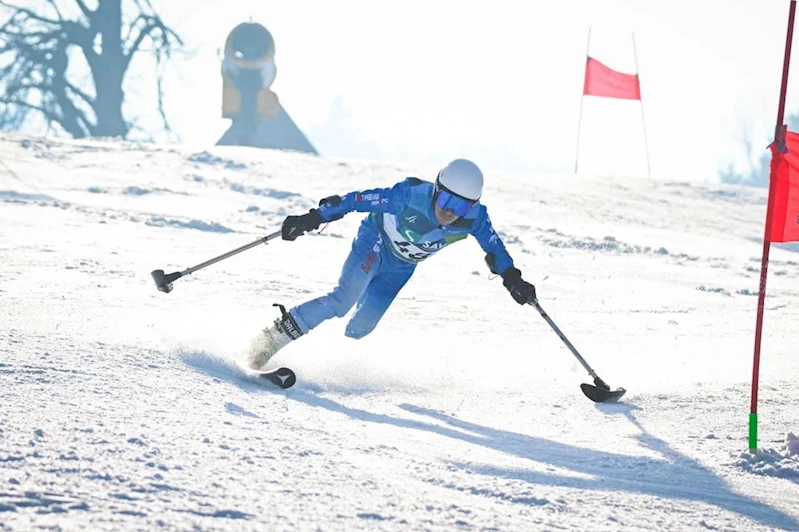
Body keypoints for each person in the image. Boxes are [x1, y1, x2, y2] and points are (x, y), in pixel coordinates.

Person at [246, 158, 537, 370]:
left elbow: (495, 249)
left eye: (460, 205)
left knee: (359, 329)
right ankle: (268, 341)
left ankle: (318, 352)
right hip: (375, 243)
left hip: (401, 268)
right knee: (342, 302)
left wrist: (513, 278)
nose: (449, 211)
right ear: (436, 189)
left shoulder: (476, 219)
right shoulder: (408, 196)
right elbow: (355, 200)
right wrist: (313, 217)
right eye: (446, 198)